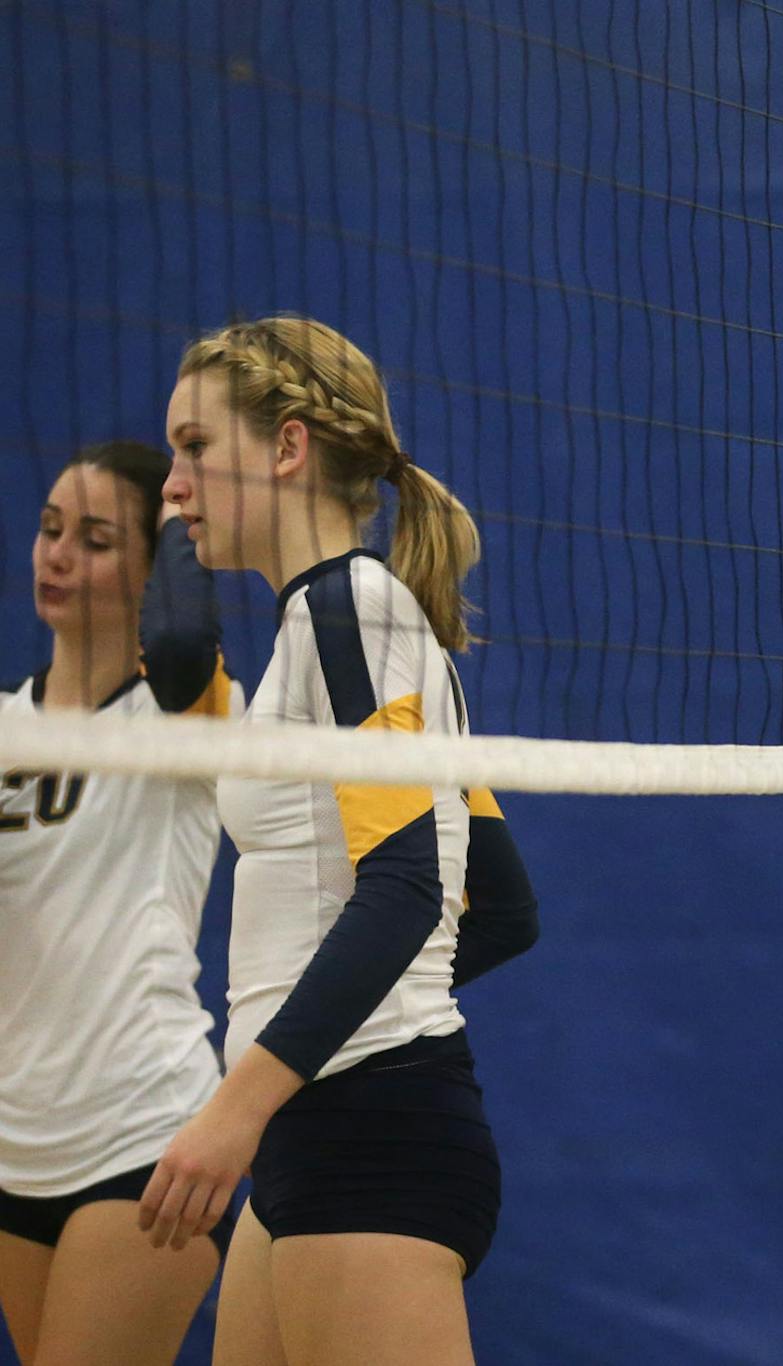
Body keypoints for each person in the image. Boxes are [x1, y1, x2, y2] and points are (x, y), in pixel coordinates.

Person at [146, 315, 540, 1363]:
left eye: (195, 446)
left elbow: (408, 884)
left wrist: (236, 1108)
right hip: (317, 1131)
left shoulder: (353, 613)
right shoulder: (331, 628)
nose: (171, 486)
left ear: (288, 448)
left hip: (372, 1139)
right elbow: (498, 903)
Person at [0, 442, 241, 1365]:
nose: (57, 555)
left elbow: (180, 641)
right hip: (18, 1141)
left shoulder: (186, 719)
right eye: (51, 529)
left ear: (152, 567)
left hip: (144, 1135)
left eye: (96, 540)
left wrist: (183, 511)